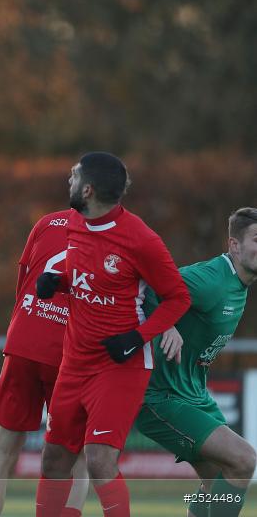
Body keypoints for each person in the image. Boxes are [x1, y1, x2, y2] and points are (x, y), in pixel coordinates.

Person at [34, 152, 190, 517]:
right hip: (74, 362)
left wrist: (137, 337)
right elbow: (92, 280)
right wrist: (58, 283)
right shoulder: (74, 222)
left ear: (87, 190)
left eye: (73, 177)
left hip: (119, 366)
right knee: (53, 459)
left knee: (100, 462)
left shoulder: (140, 239)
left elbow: (177, 297)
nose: (67, 182)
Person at [134, 207, 257, 517]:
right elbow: (147, 284)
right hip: (159, 395)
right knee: (244, 459)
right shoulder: (212, 279)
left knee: (217, 482)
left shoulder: (238, 284)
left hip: (193, 394)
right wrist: (166, 324)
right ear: (234, 245)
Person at [0, 210, 89, 517]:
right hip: (68, 353)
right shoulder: (115, 233)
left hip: (23, 341)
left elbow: (23, 280)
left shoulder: (47, 222)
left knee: (1, 454)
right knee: (76, 460)